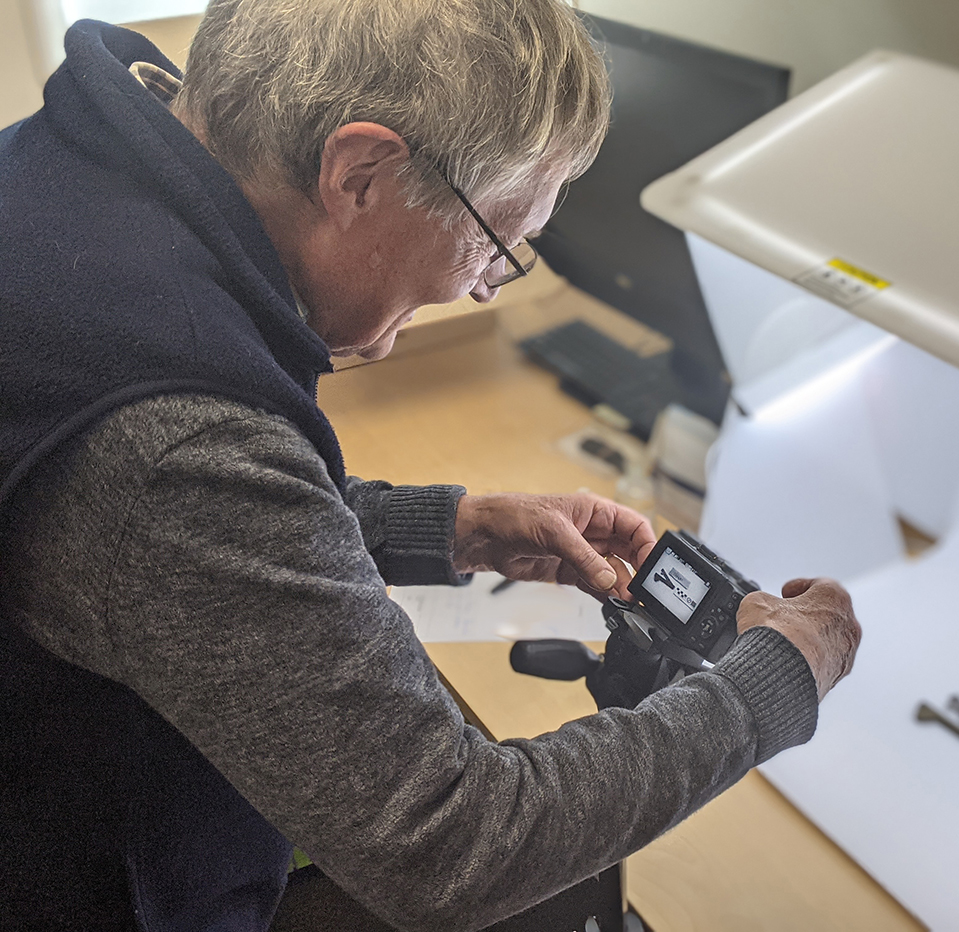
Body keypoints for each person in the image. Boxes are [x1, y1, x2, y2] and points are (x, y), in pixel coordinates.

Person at [0, 1, 862, 930]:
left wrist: (445, 528)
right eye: (496, 241)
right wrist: (771, 684)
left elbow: (133, 544)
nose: (479, 285)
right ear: (360, 173)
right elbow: (452, 844)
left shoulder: (67, 168)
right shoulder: (184, 450)